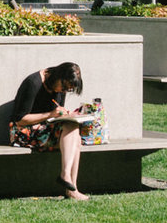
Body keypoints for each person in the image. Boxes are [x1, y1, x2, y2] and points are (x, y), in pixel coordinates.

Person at [8, 60, 103, 199]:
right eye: (64, 87)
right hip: (22, 133)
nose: (63, 91)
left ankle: (70, 185)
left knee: (75, 134)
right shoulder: (33, 83)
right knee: (73, 133)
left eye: (67, 90)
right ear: (58, 76)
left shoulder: (59, 86)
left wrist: (66, 115)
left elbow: (55, 115)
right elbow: (19, 119)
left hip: (44, 130)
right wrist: (50, 114)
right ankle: (68, 182)